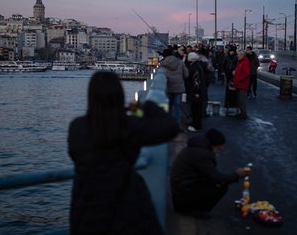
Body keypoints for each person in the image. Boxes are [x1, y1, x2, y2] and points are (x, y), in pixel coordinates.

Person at [68, 71, 180, 235]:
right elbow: (170, 127)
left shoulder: (77, 127)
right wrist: (143, 106)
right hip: (126, 202)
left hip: (87, 204)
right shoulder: (129, 125)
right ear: (119, 94)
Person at [170, 128, 251, 219]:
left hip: (182, 190)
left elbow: (210, 174)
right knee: (221, 187)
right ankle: (194, 210)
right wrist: (237, 174)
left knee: (214, 183)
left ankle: (193, 206)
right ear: (214, 145)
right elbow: (219, 179)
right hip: (182, 197)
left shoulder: (198, 147)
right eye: (220, 146)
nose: (222, 149)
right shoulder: (202, 154)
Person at [160, 47, 189, 128]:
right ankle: (177, 125)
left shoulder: (162, 63)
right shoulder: (180, 62)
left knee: (167, 106)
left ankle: (168, 124)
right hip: (179, 87)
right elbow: (186, 75)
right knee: (177, 107)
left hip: (167, 87)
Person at [184, 52, 206, 132]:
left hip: (196, 92)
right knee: (197, 109)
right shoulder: (198, 65)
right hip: (198, 91)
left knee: (196, 109)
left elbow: (196, 81)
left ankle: (196, 126)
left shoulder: (194, 67)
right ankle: (196, 124)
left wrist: (196, 92)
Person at [233, 50, 251, 119]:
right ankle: (241, 113)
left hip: (242, 85)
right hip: (239, 84)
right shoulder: (240, 61)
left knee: (242, 100)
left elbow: (246, 74)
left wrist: (238, 79)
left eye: (238, 55)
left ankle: (243, 114)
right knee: (239, 100)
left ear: (242, 55)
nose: (237, 56)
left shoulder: (245, 62)